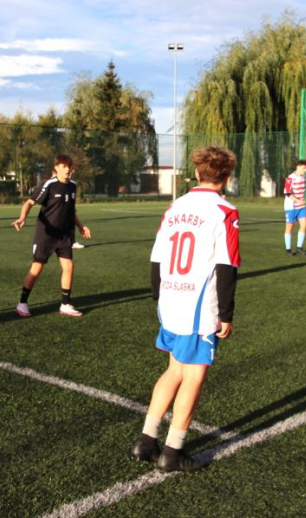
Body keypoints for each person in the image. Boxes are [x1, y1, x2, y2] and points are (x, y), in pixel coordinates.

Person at [130, 145, 240, 472]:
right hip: (198, 308)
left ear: (196, 173)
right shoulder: (225, 211)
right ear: (227, 176)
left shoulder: (174, 207)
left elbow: (157, 258)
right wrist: (227, 314)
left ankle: (146, 442)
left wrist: (159, 297)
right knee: (193, 376)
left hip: (170, 300)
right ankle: (173, 452)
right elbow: (227, 266)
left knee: (174, 369)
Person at [12, 154, 91, 317]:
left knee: (68, 267)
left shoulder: (73, 186)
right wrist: (22, 218)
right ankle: (22, 304)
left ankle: (65, 304)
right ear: (56, 168)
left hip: (65, 235)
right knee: (37, 268)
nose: (67, 169)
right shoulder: (48, 184)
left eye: (69, 166)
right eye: (64, 166)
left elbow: (71, 211)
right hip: (46, 235)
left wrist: (81, 226)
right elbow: (29, 203)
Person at [283, 159, 306, 255]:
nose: (305, 170)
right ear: (298, 167)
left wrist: (301, 201)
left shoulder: (303, 177)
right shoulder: (290, 178)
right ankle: (288, 250)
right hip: (291, 206)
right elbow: (287, 192)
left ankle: (299, 248)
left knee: (304, 224)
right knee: (290, 227)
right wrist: (298, 200)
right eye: (304, 168)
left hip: (301, 206)